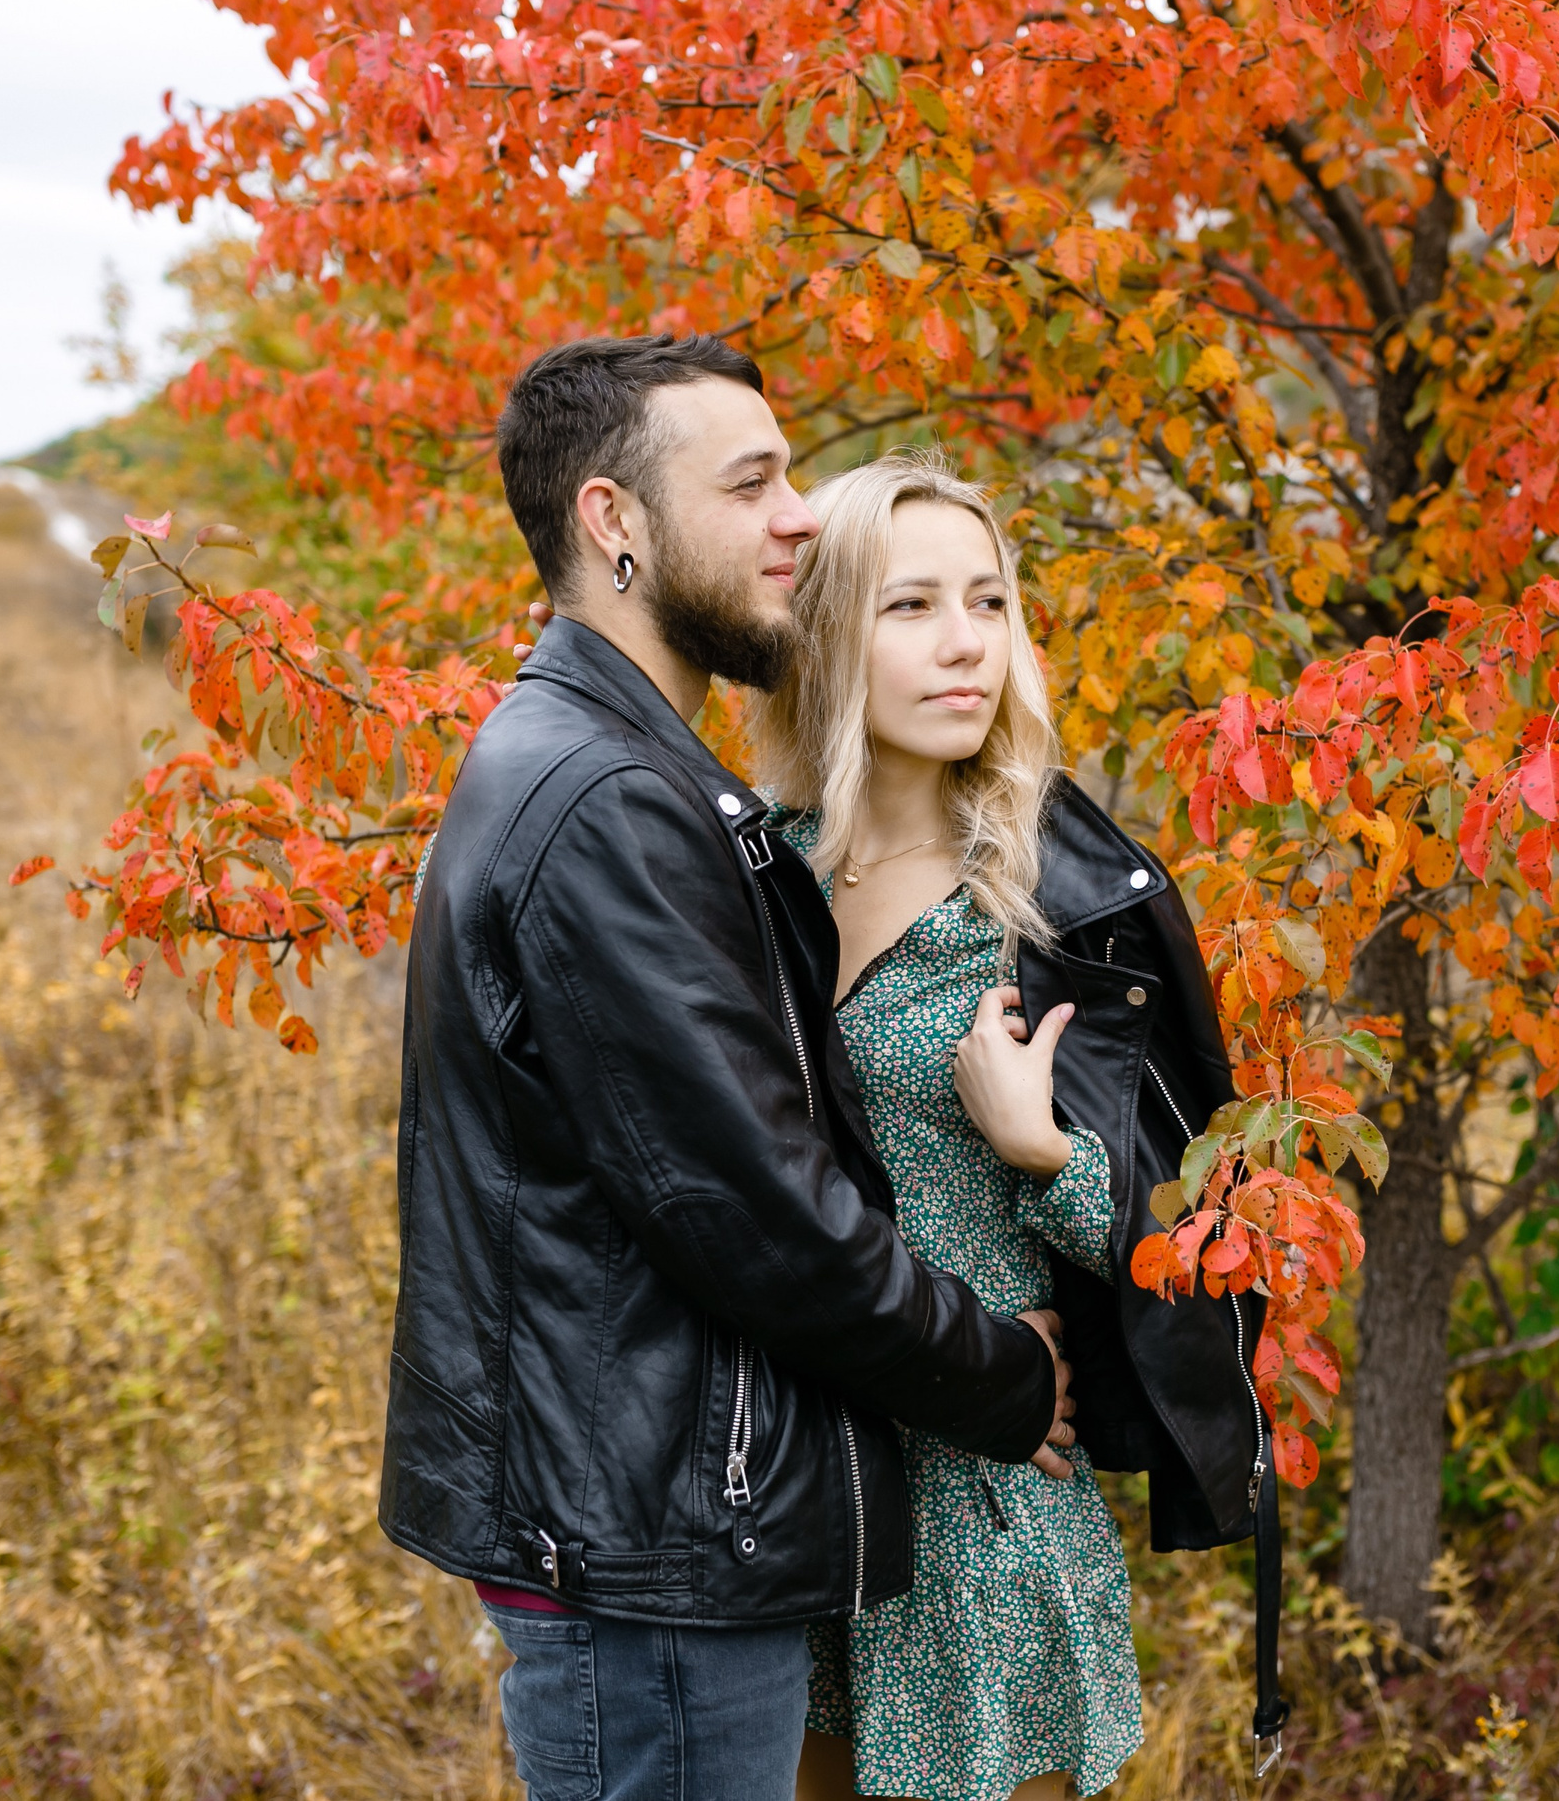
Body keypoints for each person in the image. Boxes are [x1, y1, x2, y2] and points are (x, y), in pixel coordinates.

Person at [383, 338, 1078, 1801]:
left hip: (659, 1520)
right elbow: (760, 1213)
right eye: (751, 483)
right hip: (653, 1551)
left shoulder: (612, 771)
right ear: (614, 523)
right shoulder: (610, 801)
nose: (801, 518)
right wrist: (1006, 1378)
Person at [527, 449, 1272, 1799]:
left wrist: (1047, 1156)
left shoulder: (1056, 902)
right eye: (911, 605)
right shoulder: (749, 874)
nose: (966, 644)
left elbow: (1188, 1242)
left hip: (985, 1493)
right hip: (795, 1486)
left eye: (988, 603)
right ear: (822, 633)